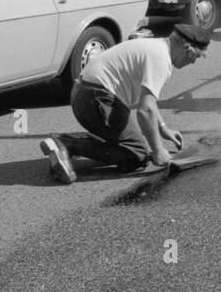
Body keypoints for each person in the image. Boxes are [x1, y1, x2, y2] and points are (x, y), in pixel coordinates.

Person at [39, 23, 210, 183]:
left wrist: (163, 128)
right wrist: (158, 151)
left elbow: (148, 100)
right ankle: (68, 144)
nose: (193, 61)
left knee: (132, 143)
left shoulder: (156, 47)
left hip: (85, 95)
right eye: (195, 56)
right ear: (187, 48)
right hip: (96, 99)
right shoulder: (161, 59)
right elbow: (145, 111)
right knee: (138, 155)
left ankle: (91, 139)